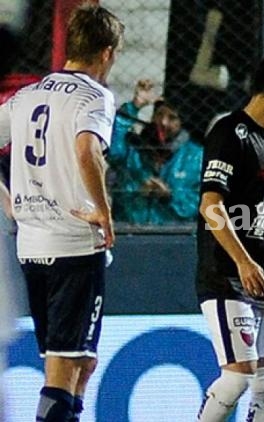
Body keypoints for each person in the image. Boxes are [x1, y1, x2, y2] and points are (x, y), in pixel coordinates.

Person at [0, 3, 123, 421]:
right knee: (63, 369)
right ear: (106, 53)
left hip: (31, 247)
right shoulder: (96, 96)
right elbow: (87, 149)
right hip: (73, 245)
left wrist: (9, 200)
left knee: (79, 364)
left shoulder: (27, 95)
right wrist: (102, 212)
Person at [195, 53, 264, 422]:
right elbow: (211, 204)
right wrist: (243, 260)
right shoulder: (229, 132)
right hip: (228, 275)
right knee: (238, 377)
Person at [109, 81, 202, 225]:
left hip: (174, 236)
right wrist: (134, 106)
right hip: (130, 230)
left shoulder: (196, 156)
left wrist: (168, 196)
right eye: (159, 115)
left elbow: (200, 202)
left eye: (172, 118)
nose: (163, 122)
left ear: (182, 122)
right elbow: (112, 151)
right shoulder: (135, 148)